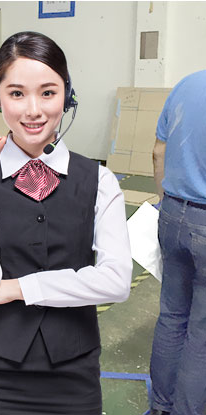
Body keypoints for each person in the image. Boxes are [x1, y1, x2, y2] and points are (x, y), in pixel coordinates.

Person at [0, 31, 132, 413]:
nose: (33, 110)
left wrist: (18, 288)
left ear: (67, 95)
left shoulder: (99, 182)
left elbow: (116, 281)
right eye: (17, 93)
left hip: (74, 375)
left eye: (48, 92)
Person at [148, 70, 206, 415]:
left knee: (172, 315)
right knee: (201, 330)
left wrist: (164, 205)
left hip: (172, 212)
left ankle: (161, 405)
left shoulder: (187, 85)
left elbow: (159, 152)